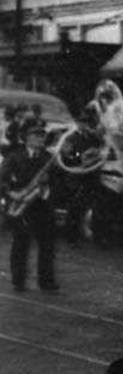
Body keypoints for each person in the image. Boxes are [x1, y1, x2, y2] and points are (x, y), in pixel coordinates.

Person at [1, 119, 58, 292]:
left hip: (42, 205)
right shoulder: (15, 157)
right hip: (21, 205)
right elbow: (1, 180)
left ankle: (46, 282)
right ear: (26, 138)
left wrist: (48, 187)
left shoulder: (48, 158)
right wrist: (12, 193)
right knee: (21, 244)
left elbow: (59, 180)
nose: (41, 139)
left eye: (42, 135)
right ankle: (18, 281)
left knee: (47, 245)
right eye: (36, 135)